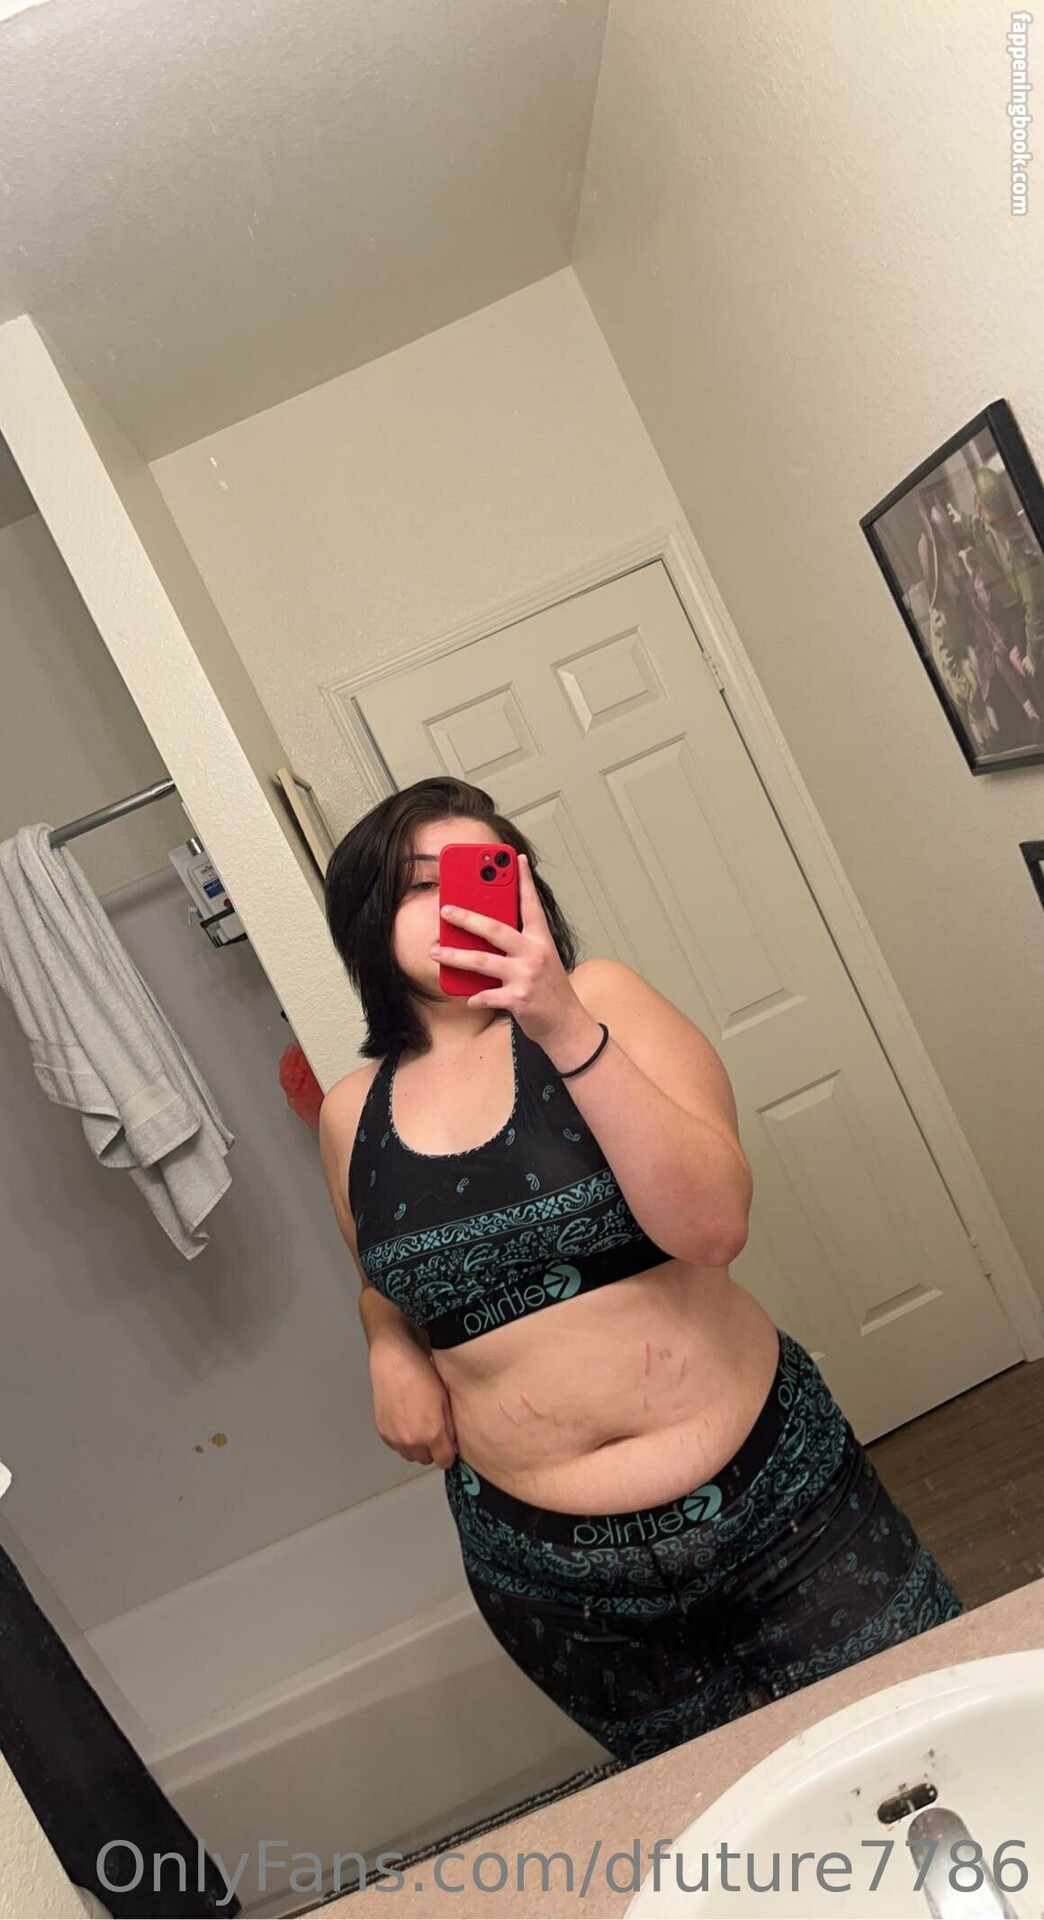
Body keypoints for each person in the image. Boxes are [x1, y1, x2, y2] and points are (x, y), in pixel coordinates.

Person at [318, 775, 962, 1767]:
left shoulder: (603, 1002)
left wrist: (560, 1021)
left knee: (936, 1751)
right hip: (553, 1587)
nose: (454, 902)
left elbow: (712, 1226)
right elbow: (389, 1280)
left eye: (478, 872)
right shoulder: (348, 1112)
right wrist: (386, 1344)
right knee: (729, 1820)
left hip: (781, 1511)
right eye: (419, 883)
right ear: (367, 918)